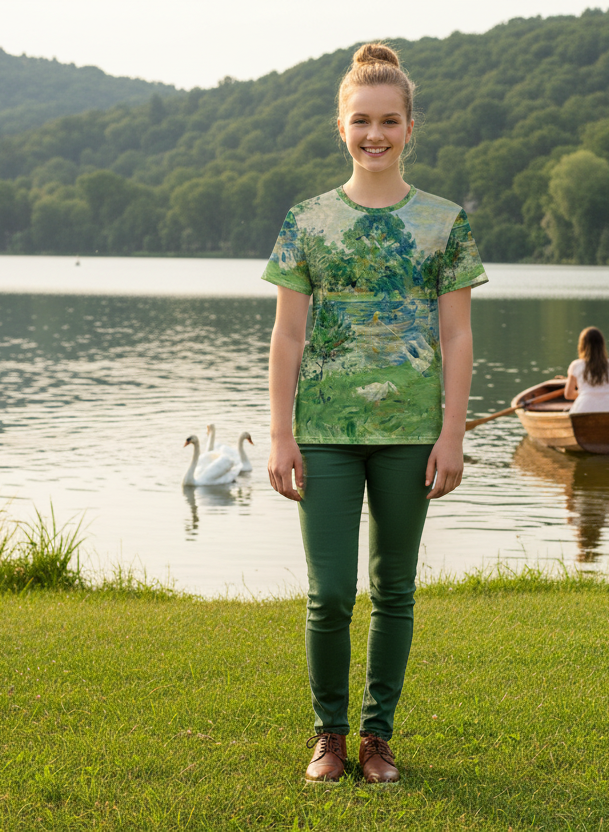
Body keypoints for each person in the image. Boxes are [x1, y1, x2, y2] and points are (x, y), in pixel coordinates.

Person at [263, 42, 487, 785]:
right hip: (324, 431)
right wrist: (280, 433)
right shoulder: (307, 221)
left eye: (389, 121)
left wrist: (452, 434)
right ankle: (328, 735)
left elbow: (456, 335)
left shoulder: (444, 223)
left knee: (394, 589)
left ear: (410, 127)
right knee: (329, 593)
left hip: (410, 432)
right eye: (361, 121)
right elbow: (288, 334)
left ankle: (376, 738)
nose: (375, 135)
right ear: (341, 127)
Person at [564, 327, 609, 413]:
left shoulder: (576, 365)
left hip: (584, 409)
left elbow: (568, 394)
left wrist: (586, 393)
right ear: (602, 345)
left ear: (582, 345)